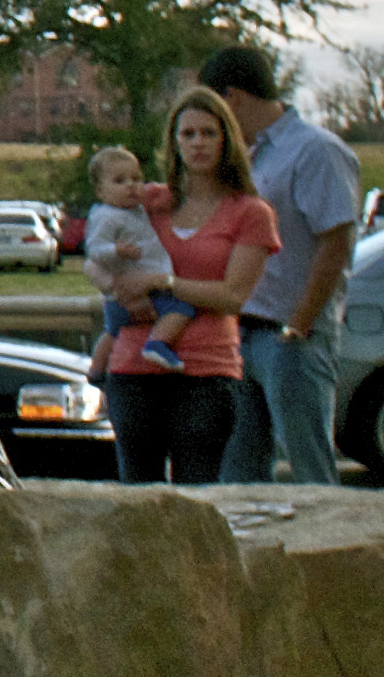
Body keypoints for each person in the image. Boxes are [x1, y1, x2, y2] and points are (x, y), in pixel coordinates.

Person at [197, 43, 363, 485]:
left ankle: (330, 552)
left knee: (308, 466)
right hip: (241, 332)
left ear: (232, 97)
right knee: (239, 470)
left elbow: (336, 240)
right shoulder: (251, 157)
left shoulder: (316, 150)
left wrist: (301, 322)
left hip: (289, 337)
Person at [102, 87, 277, 487]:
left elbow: (232, 296)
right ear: (174, 142)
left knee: (196, 495)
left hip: (205, 370)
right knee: (137, 497)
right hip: (133, 365)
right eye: (188, 134)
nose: (197, 143)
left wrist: (164, 283)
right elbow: (105, 256)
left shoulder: (250, 212)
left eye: (208, 133)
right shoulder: (147, 203)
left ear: (226, 139)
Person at [78, 146, 195, 375]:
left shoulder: (138, 209)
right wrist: (116, 251)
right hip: (139, 289)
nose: (131, 185)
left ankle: (95, 370)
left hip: (124, 295)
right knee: (181, 308)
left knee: (112, 332)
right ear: (100, 191)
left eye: (137, 178)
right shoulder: (107, 216)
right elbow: (94, 250)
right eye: (120, 181)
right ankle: (157, 344)